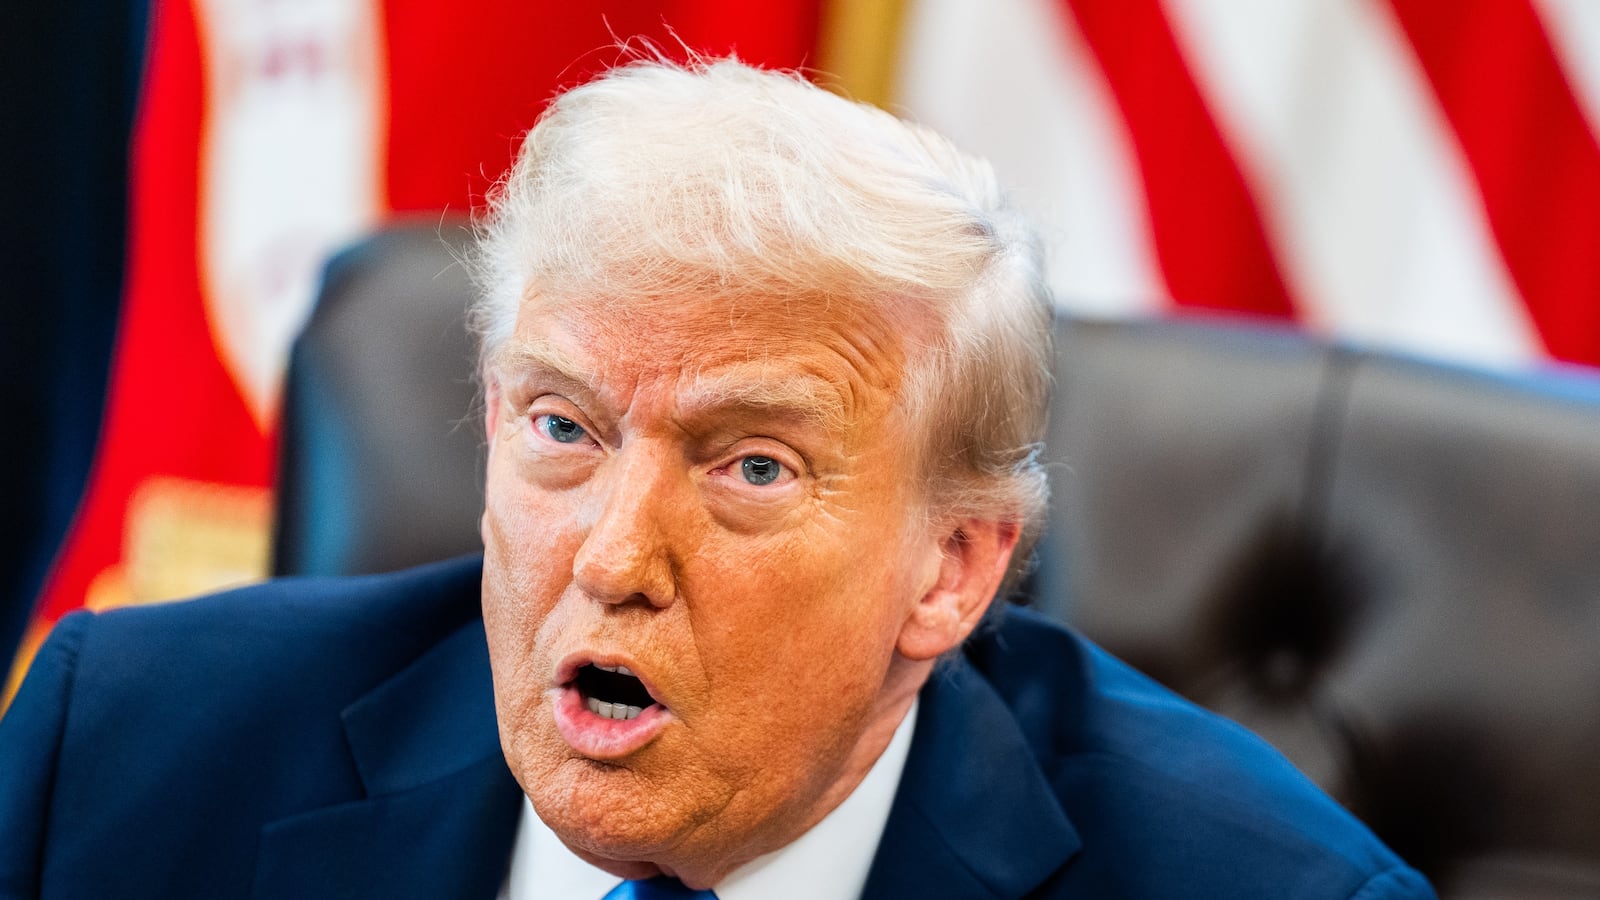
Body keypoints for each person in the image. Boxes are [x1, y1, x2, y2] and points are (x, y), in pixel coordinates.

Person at [0, 57, 1433, 899]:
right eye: (564, 429)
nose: (616, 557)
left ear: (952, 568)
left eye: (752, 465)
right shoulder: (123, 755)